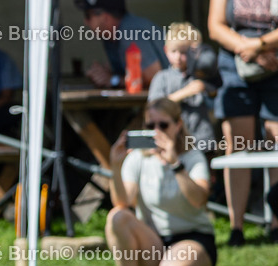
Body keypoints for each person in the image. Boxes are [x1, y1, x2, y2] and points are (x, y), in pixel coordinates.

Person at [106, 98, 216, 266]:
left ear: (178, 125)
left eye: (163, 125)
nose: (156, 131)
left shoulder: (192, 158)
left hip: (193, 237)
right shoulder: (137, 158)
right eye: (150, 125)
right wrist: (115, 167)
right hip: (154, 241)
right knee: (117, 217)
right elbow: (123, 203)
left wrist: (175, 164)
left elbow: (199, 200)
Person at [208, 0, 278, 245]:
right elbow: (215, 26)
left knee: (276, 145)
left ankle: (276, 223)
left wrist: (260, 45)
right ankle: (236, 227)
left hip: (275, 61)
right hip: (236, 66)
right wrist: (247, 49)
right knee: (238, 146)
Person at [148, 22, 218, 153]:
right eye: (174, 51)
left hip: (202, 141)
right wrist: (186, 92)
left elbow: (215, 102)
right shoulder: (162, 78)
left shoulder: (202, 74)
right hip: (172, 143)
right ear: (166, 50)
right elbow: (154, 106)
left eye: (184, 52)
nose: (178, 57)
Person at [76, 0, 165, 90]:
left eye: (88, 16)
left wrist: (113, 80)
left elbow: (154, 77)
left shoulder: (129, 32)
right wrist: (107, 74)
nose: (85, 22)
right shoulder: (110, 37)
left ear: (105, 17)